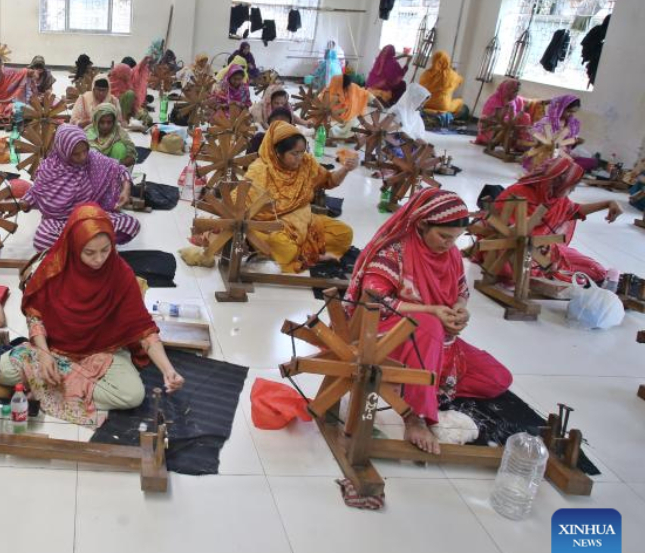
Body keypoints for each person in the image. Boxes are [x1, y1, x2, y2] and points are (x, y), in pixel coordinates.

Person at [346, 188, 512, 455]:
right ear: (422, 223)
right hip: (386, 335)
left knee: (498, 379)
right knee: (426, 324)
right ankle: (416, 416)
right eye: (443, 236)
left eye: (455, 239)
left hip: (436, 341)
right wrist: (433, 311)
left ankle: (416, 381)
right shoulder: (393, 252)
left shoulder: (452, 255)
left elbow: (461, 292)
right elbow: (375, 300)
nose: (448, 244)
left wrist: (460, 310)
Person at [0, 203, 184, 425]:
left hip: (102, 353)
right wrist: (45, 354)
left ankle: (43, 386)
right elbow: (35, 315)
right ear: (74, 247)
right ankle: (62, 384)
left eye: (106, 250)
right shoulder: (53, 269)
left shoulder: (120, 274)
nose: (99, 259)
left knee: (133, 395)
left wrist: (168, 369)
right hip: (54, 349)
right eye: (89, 252)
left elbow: (143, 329)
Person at [476, 155, 620, 285]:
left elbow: (574, 211)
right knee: (519, 271)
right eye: (571, 187)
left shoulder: (554, 198)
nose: (573, 191)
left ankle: (571, 277)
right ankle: (559, 277)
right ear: (557, 183)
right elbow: (507, 232)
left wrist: (607, 203)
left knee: (595, 269)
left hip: (540, 250)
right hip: (509, 250)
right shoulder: (517, 194)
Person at [237, 121, 357, 273]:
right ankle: (309, 255)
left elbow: (329, 180)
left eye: (302, 152)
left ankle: (301, 256)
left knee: (344, 233)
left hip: (303, 221)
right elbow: (240, 203)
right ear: (277, 153)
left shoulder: (307, 163)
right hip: (269, 226)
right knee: (283, 245)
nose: (300, 157)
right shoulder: (260, 171)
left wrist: (345, 169)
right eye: (294, 153)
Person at [22, 124, 138, 251]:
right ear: (63, 151)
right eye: (76, 154)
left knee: (130, 225)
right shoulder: (48, 169)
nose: (83, 157)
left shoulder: (92, 159)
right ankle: (87, 245)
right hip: (58, 222)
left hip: (87, 217)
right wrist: (24, 202)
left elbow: (119, 169)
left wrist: (126, 189)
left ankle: (79, 247)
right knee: (42, 240)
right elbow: (36, 191)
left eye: (85, 151)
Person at [524, 95, 586, 170]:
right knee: (547, 163)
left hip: (560, 151)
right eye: (569, 111)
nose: (571, 114)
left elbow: (572, 140)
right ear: (561, 108)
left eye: (574, 112)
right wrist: (543, 141)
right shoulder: (547, 121)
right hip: (544, 151)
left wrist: (576, 141)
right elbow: (536, 137)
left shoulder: (573, 123)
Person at [0, 53, 30, 124]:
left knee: (22, 108)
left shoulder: (6, 73)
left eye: (1, 66)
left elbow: (21, 73)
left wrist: (29, 71)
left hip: (8, 106)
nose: (1, 70)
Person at [321, 73, 373, 140]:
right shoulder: (330, 89)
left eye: (347, 87)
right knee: (328, 129)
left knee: (355, 124)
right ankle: (347, 136)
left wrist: (380, 106)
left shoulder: (353, 87)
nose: (346, 89)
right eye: (343, 88)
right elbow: (321, 103)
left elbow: (366, 94)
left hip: (349, 119)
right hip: (334, 120)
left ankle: (349, 136)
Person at [475, 79, 526, 146]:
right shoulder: (494, 99)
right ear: (506, 89)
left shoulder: (518, 100)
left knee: (525, 116)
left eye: (517, 91)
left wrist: (513, 117)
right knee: (503, 123)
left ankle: (518, 144)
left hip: (511, 125)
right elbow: (486, 117)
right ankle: (495, 140)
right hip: (492, 125)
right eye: (513, 90)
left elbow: (519, 114)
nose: (515, 94)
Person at [418, 50, 464, 117]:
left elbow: (421, 84)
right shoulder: (452, 75)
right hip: (443, 106)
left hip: (426, 103)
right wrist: (453, 72)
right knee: (460, 101)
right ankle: (450, 117)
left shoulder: (427, 73)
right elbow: (460, 81)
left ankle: (432, 113)